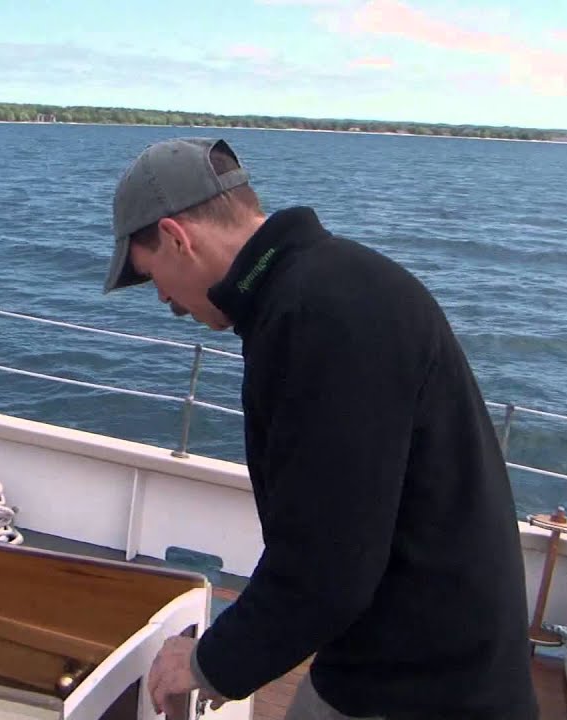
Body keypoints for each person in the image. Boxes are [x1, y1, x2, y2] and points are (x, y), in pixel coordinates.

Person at [102, 137, 539, 720]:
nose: (162, 296)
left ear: (178, 238)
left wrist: (210, 663)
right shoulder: (329, 284)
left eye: (150, 272)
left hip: (421, 687)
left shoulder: (318, 315)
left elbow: (330, 562)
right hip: (406, 653)